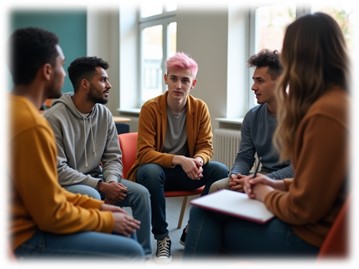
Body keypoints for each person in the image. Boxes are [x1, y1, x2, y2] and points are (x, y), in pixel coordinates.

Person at [184, 12, 349, 257]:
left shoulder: (323, 113)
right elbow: (315, 183)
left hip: (312, 236)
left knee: (205, 214)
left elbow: (303, 207)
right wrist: (269, 183)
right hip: (320, 221)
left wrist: (266, 192)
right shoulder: (338, 102)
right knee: (216, 203)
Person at [9, 27, 144, 258]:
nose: (65, 73)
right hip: (24, 237)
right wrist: (104, 219)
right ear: (47, 71)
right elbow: (50, 214)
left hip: (33, 219)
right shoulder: (33, 125)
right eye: (62, 65)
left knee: (126, 229)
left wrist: (98, 206)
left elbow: (47, 192)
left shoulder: (14, 111)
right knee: (131, 250)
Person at [43, 56, 152, 258]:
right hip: (68, 183)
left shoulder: (104, 114)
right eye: (103, 80)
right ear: (85, 84)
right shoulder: (53, 118)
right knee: (91, 194)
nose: (108, 85)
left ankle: (143, 256)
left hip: (101, 179)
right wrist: (100, 186)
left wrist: (111, 182)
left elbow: (112, 157)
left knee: (141, 194)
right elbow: (58, 170)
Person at [127, 52, 229, 262]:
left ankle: (193, 227)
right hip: (156, 172)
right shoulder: (150, 108)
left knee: (220, 171)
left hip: (187, 173)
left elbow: (206, 147)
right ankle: (163, 238)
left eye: (185, 80)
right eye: (174, 78)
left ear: (194, 83)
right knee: (151, 171)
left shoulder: (200, 108)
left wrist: (198, 160)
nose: (178, 85)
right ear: (165, 79)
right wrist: (181, 160)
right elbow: (144, 153)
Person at [209, 49, 293, 194]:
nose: (253, 87)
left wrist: (261, 180)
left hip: (289, 181)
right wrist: (235, 176)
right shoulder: (252, 117)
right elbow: (244, 157)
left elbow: (300, 168)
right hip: (263, 175)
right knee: (217, 188)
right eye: (254, 81)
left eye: (260, 81)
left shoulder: (302, 115)